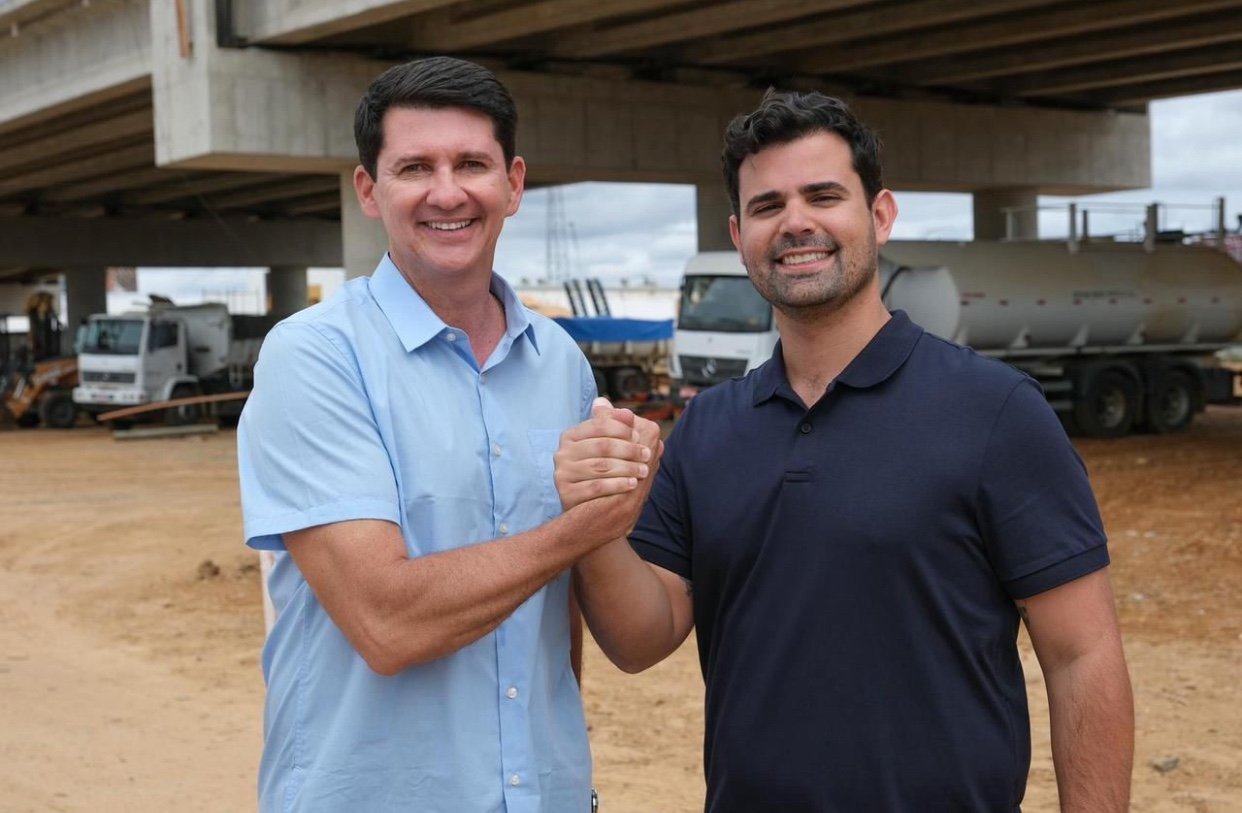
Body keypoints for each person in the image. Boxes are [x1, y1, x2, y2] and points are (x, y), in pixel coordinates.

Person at [556, 89, 1135, 812]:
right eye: (768, 205)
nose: (795, 222)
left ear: (880, 215)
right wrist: (593, 519)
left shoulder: (995, 411)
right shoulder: (707, 429)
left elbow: (1083, 656)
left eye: (823, 196)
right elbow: (641, 640)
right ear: (739, 234)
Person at [237, 56, 654, 812]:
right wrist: (585, 525)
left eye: (471, 163)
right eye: (414, 167)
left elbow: (556, 617)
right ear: (369, 190)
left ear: (513, 184)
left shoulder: (559, 362)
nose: (447, 191)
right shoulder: (317, 357)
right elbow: (387, 622)